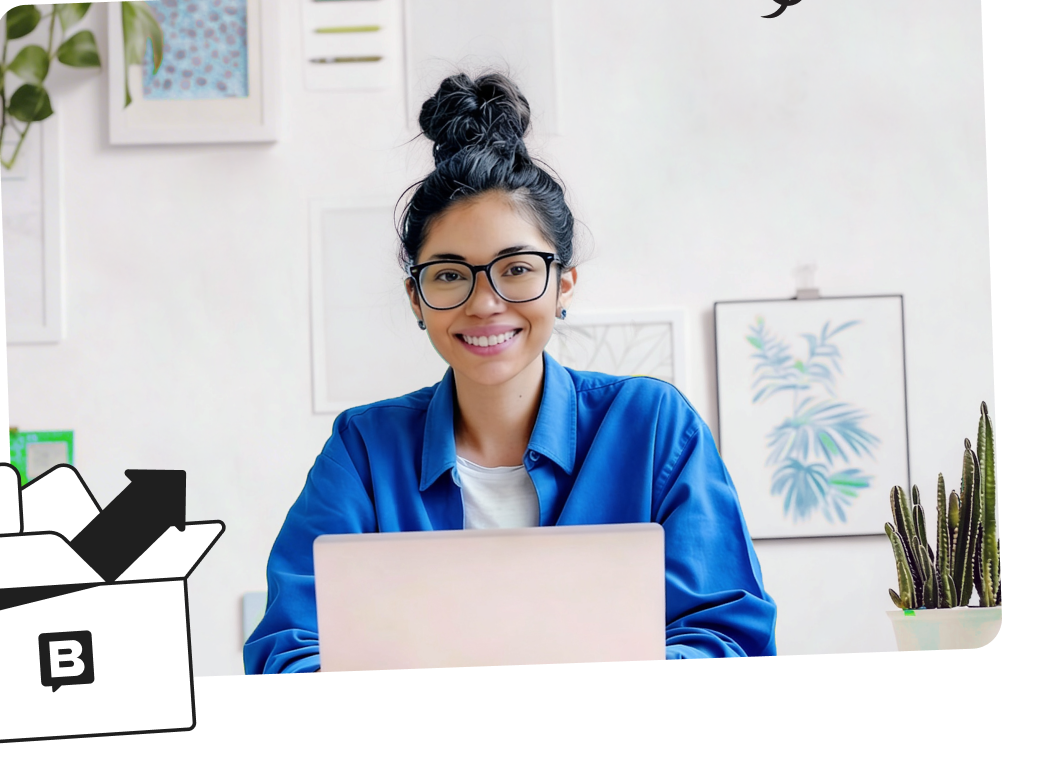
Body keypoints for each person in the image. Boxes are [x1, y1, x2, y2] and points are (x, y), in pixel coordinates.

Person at [244, 72, 776, 672]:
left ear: (563, 284)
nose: (485, 302)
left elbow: (725, 634)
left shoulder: (652, 428)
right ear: (416, 299)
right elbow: (287, 649)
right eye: (448, 274)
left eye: (517, 268)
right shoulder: (364, 450)